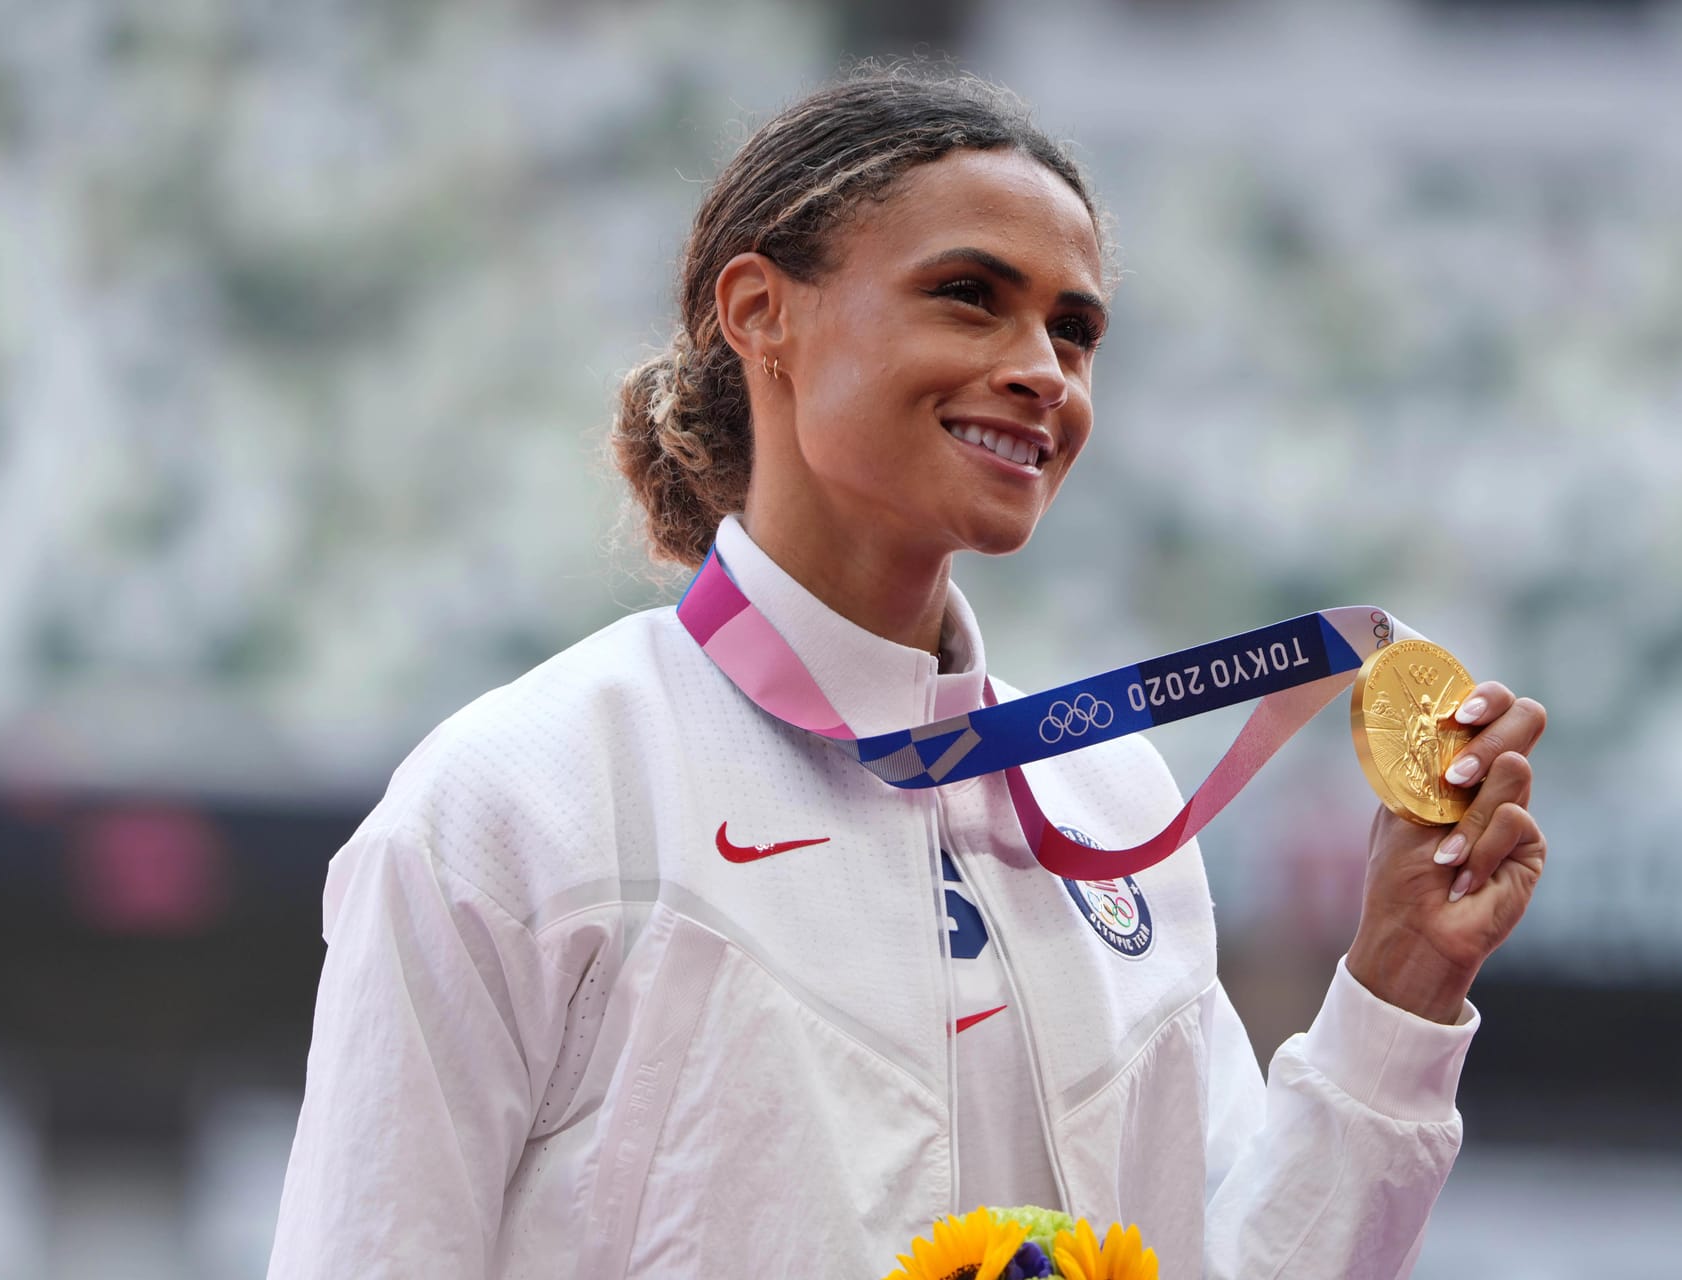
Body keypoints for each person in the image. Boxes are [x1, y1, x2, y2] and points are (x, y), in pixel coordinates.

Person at [268, 65, 1549, 1279]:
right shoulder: (521, 798)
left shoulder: (1116, 807)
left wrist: (1401, 984)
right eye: (970, 294)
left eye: (1077, 328)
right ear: (762, 311)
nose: (1044, 368)